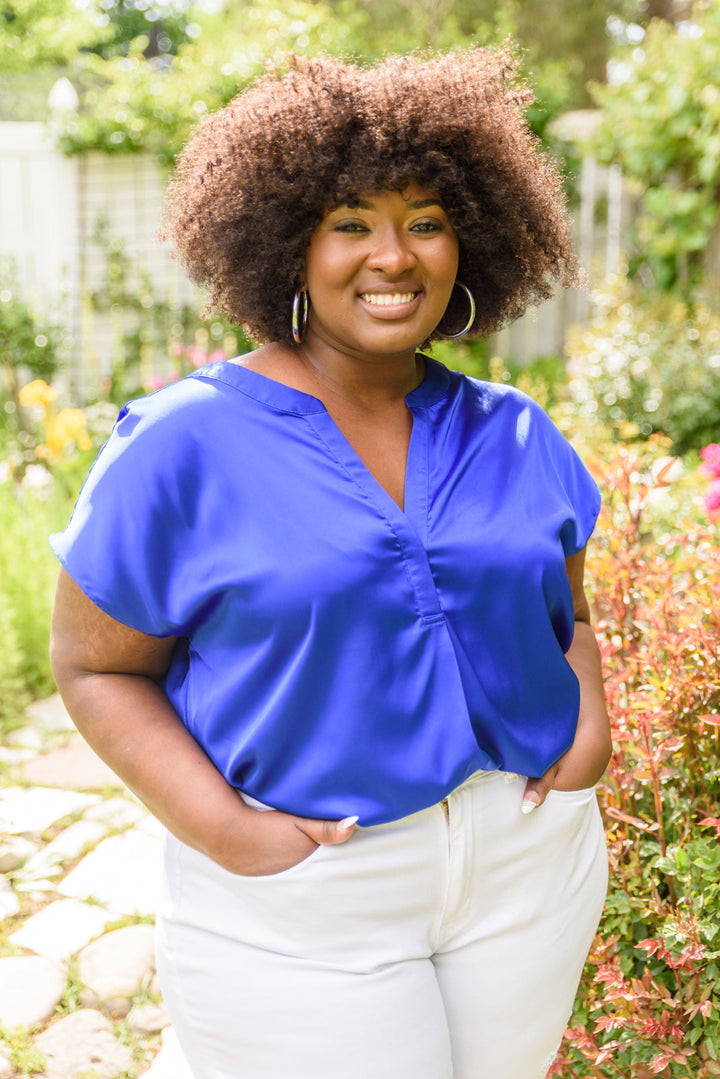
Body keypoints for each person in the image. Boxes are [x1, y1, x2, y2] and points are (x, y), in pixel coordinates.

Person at [49, 48, 611, 1079]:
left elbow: (566, 611)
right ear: (288, 245)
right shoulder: (182, 444)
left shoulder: (516, 430)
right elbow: (96, 665)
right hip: (310, 890)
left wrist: (589, 732)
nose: (393, 256)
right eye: (351, 223)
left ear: (470, 240)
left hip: (527, 865)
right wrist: (227, 831)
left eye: (425, 221)